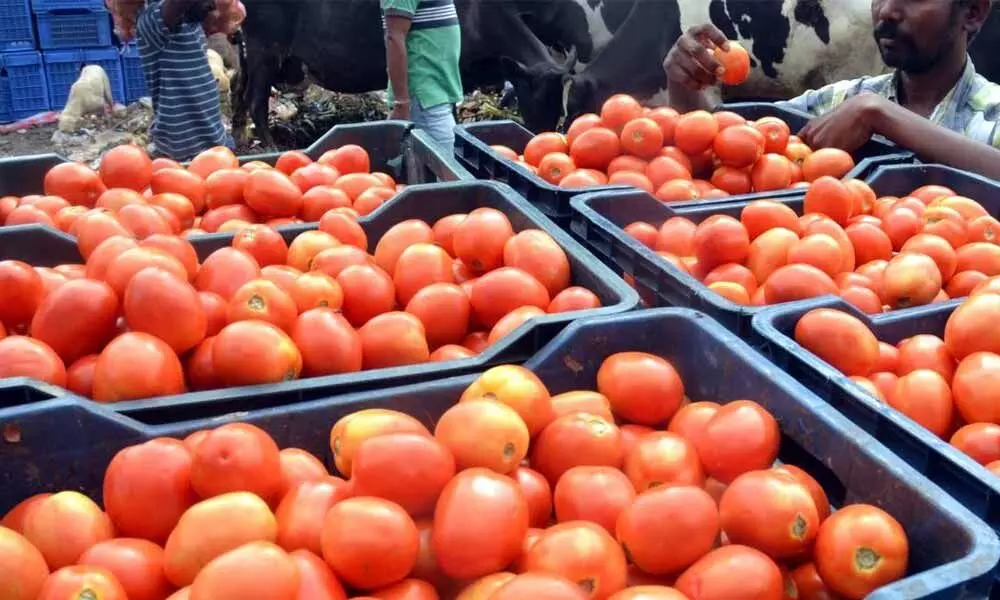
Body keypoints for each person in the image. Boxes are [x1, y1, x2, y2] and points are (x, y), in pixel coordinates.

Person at [663, 0, 1000, 180]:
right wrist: (686, 86)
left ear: (972, 12)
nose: (887, 10)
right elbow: (729, 151)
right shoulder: (840, 100)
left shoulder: (993, 114)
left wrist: (881, 114)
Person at [136, 0, 233, 160]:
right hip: (182, 154)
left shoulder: (190, 23)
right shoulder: (153, 22)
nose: (212, 5)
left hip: (216, 140)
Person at [382, 0, 464, 154]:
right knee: (447, 171)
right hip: (423, 97)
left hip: (436, 93)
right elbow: (394, 37)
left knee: (436, 169)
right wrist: (402, 103)